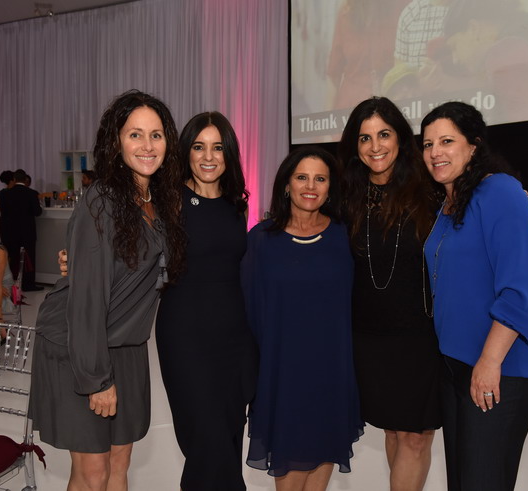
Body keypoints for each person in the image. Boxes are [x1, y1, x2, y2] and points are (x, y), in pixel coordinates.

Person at [29, 89, 185, 491]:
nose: (147, 145)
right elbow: (86, 301)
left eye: (156, 135)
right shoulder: (102, 201)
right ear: (116, 142)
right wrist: (96, 379)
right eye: (135, 135)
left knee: (119, 463)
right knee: (93, 473)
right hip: (81, 346)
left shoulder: (160, 199)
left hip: (126, 345)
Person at [420, 101, 528, 491]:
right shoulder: (447, 204)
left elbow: (521, 288)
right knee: (462, 480)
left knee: (483, 481)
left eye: (447, 141)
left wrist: (490, 362)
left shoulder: (500, 191)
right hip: (456, 365)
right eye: (427, 144)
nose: (435, 152)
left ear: (474, 145)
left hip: (501, 366)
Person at [241, 146, 364, 491]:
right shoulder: (261, 241)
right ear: (286, 185)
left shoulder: (344, 236)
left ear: (330, 188)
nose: (311, 186)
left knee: (321, 468)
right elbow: (248, 310)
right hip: (282, 377)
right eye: (302, 177)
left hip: (331, 374)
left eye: (320, 179)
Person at [337, 96, 441, 491]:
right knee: (394, 431)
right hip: (368, 336)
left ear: (400, 138)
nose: (375, 146)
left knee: (415, 435)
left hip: (421, 336)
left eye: (384, 134)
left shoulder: (430, 190)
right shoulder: (346, 196)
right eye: (365, 138)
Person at [155, 111, 258, 490]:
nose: (208, 156)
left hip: (234, 339)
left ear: (229, 153)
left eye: (218, 147)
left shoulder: (236, 205)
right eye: (199, 147)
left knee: (229, 436)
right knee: (206, 442)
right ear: (186, 152)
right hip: (185, 337)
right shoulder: (168, 201)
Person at [0, 169, 43, 291]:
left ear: (14, 179)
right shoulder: (31, 193)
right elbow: (37, 212)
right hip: (26, 231)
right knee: (28, 258)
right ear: (25, 179)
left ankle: (11, 282)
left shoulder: (4, 194)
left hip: (8, 231)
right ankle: (28, 284)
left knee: (12, 257)